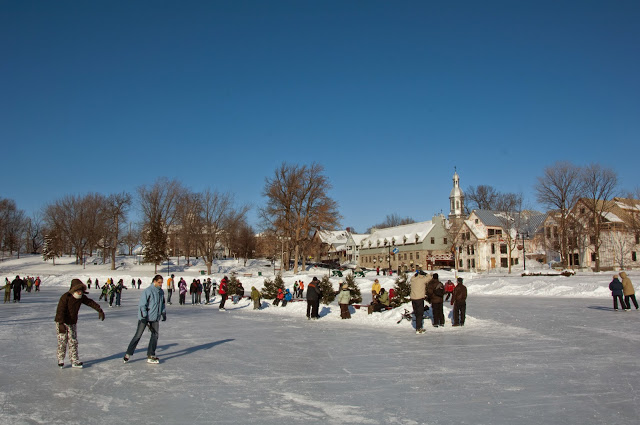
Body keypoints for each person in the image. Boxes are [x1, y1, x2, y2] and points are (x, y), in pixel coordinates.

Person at [54, 279, 105, 368]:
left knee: (73, 341)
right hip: (62, 322)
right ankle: (61, 359)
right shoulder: (66, 297)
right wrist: (61, 323)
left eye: (81, 290)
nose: (80, 292)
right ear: (73, 290)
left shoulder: (81, 298)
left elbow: (90, 302)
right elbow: (60, 310)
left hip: (72, 322)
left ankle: (74, 360)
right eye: (78, 290)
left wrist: (99, 310)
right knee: (62, 341)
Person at [123, 274, 166, 365]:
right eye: (159, 282)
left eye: (161, 282)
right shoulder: (148, 291)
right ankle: (128, 353)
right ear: (154, 281)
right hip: (145, 317)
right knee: (138, 335)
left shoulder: (161, 292)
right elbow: (142, 305)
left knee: (155, 335)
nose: (160, 284)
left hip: (155, 317)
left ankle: (151, 355)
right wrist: (144, 317)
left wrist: (163, 313)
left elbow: (162, 304)